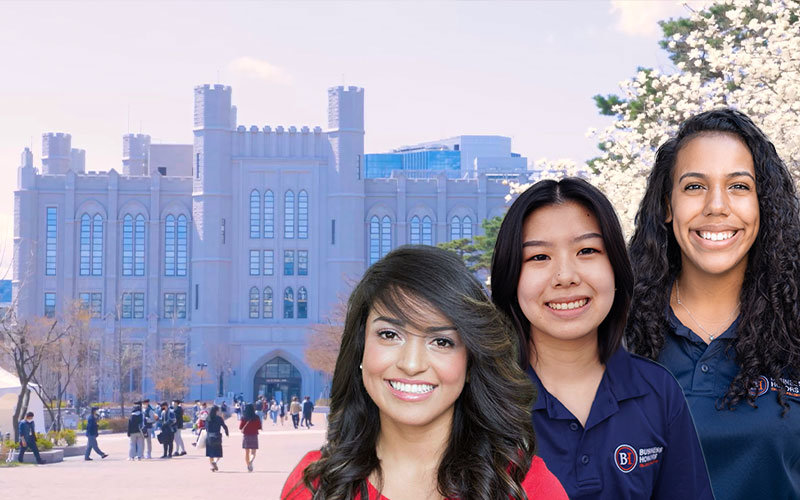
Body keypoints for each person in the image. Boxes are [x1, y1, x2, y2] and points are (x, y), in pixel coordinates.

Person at [282, 246, 567, 499]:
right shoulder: (315, 486)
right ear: (360, 350)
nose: (412, 363)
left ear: (470, 363)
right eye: (390, 334)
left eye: (441, 341)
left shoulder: (524, 486)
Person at [491, 178, 713, 499]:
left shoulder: (657, 393)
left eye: (587, 250)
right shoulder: (483, 397)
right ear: (511, 275)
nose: (566, 276)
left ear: (615, 269)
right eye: (539, 257)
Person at [625, 108, 800, 500]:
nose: (716, 206)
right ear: (667, 207)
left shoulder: (794, 331)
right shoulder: (618, 335)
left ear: (763, 205)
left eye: (739, 186)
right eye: (694, 187)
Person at [205, 405, 229, 472]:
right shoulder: (219, 418)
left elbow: (206, 428)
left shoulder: (208, 418)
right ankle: (215, 462)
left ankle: (212, 466)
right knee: (218, 453)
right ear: (217, 411)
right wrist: (227, 433)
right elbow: (224, 426)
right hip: (217, 436)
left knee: (210, 453)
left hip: (209, 437)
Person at [239, 403, 261, 472]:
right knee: (253, 452)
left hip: (246, 436)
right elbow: (259, 427)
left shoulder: (243, 417)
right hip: (254, 435)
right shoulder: (256, 417)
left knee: (247, 452)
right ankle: (251, 461)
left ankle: (248, 465)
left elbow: (240, 427)